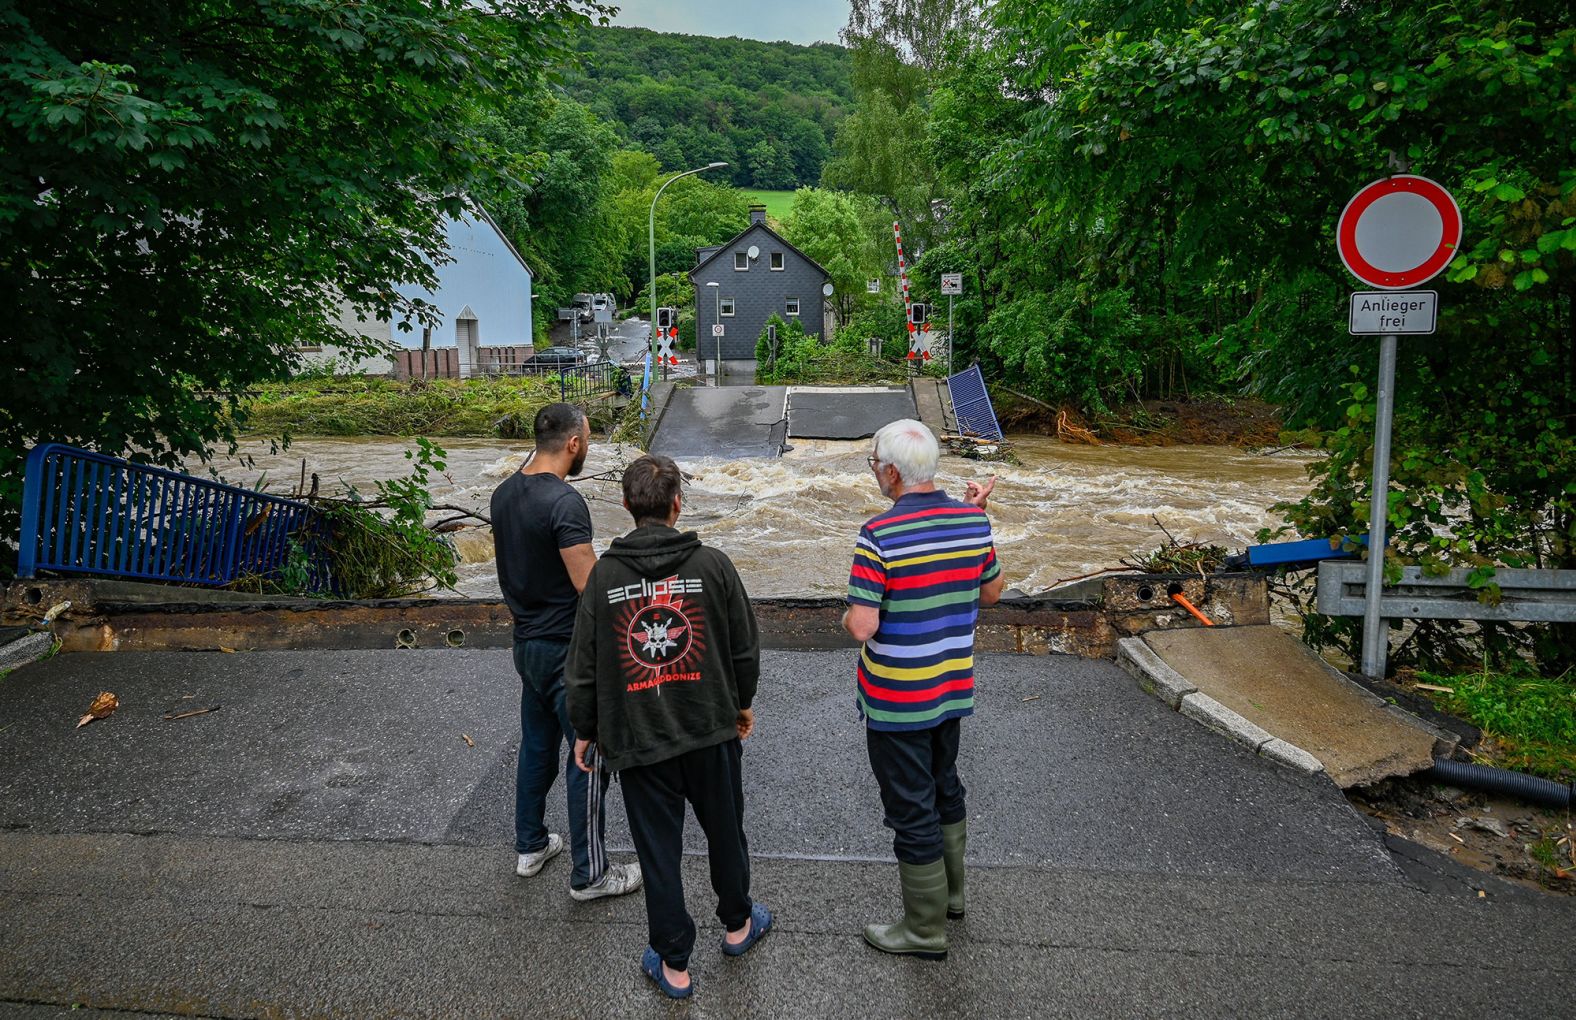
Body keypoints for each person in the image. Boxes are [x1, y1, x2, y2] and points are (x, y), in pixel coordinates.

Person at [566, 454, 769, 1000]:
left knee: (658, 852)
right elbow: (745, 648)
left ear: (627, 506)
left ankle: (674, 964)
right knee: (725, 830)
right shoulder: (715, 566)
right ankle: (738, 924)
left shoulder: (604, 577)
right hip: (710, 728)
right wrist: (740, 704)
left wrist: (584, 730)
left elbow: (583, 666)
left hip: (636, 736)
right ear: (678, 503)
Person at [843, 419, 1001, 961]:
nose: (874, 473)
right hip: (950, 686)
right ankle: (953, 898)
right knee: (944, 786)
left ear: (891, 471)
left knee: (911, 807)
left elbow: (863, 627)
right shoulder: (973, 520)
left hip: (896, 698)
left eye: (873, 464)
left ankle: (923, 930)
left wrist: (848, 617)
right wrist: (976, 515)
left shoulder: (878, 534)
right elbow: (994, 591)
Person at [490, 402, 641, 901]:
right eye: (589, 439)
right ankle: (591, 874)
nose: (589, 447)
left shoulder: (504, 494)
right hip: (566, 652)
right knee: (587, 754)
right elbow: (590, 589)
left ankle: (530, 845)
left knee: (537, 746)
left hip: (526, 644)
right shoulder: (564, 503)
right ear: (573, 444)